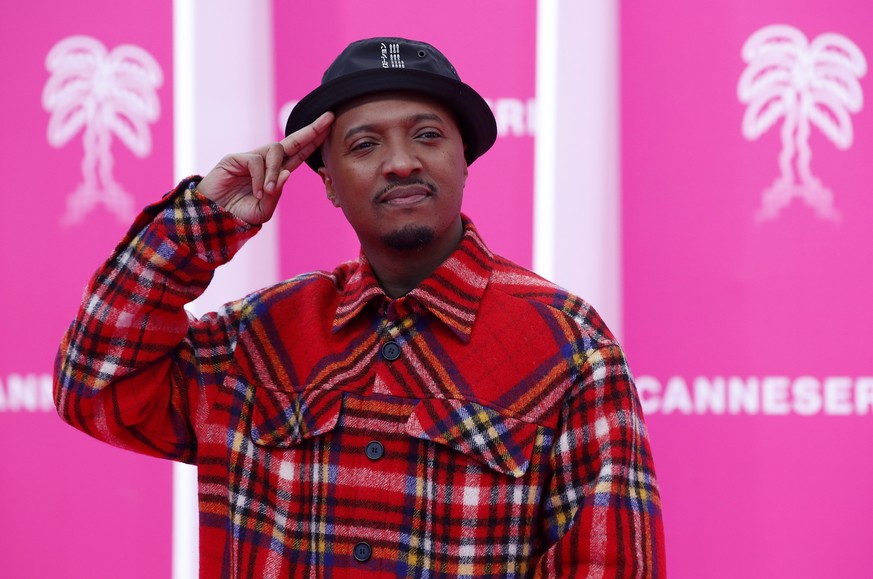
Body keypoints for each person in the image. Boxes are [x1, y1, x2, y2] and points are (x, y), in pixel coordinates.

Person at [54, 37, 665, 577]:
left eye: (427, 135)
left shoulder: (567, 342)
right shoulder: (259, 338)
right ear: (328, 183)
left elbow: (611, 563)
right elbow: (95, 386)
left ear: (463, 159)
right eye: (365, 144)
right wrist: (200, 224)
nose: (401, 161)